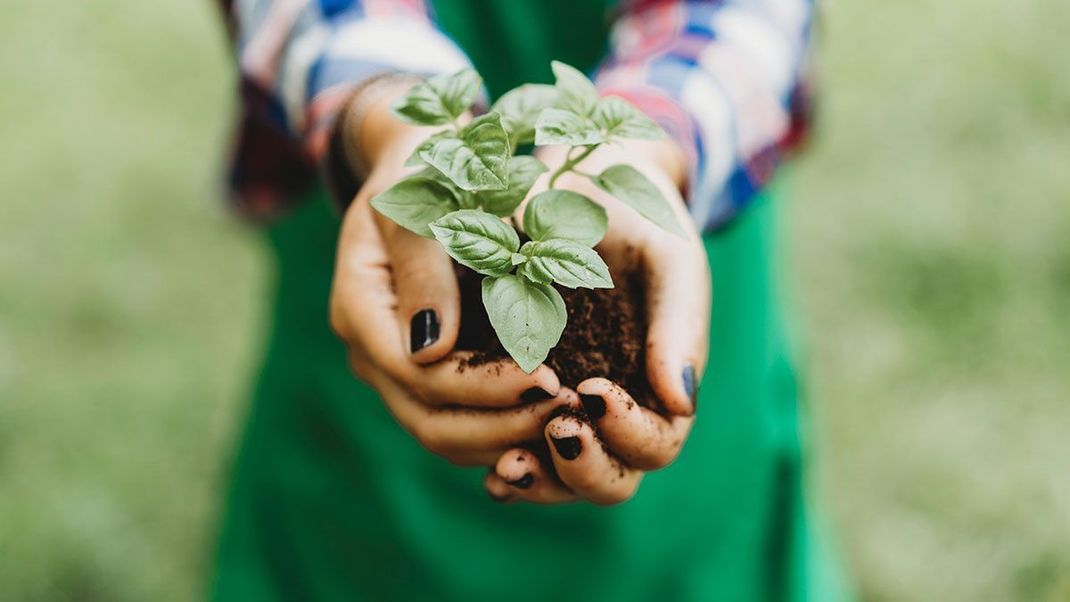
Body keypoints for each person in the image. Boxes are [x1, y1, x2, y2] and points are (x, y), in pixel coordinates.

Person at [211, 0, 850, 600]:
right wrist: (388, 113)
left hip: (667, 216)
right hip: (383, 223)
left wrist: (646, 144)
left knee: (696, 522)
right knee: (352, 521)